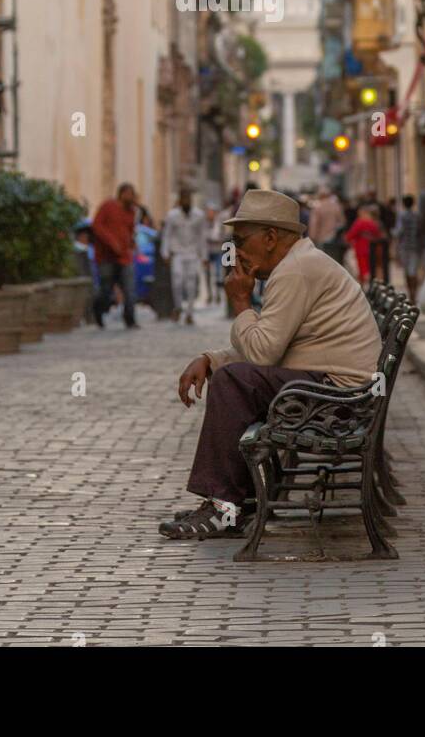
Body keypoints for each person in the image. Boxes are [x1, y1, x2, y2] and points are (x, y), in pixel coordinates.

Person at [158, 189, 380, 541]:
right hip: (336, 388)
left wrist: (241, 301)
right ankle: (233, 501)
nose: (237, 251)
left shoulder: (296, 271)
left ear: (272, 238)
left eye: (242, 240)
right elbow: (270, 346)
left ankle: (223, 507)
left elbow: (262, 354)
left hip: (339, 398)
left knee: (234, 381)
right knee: (231, 376)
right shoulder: (298, 264)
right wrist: (210, 359)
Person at [91, 182, 139, 329]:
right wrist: (111, 242)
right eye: (130, 194)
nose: (132, 197)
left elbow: (130, 231)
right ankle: (98, 311)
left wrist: (131, 242)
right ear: (122, 194)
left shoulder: (131, 212)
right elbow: (97, 226)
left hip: (124, 257)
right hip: (106, 257)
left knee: (130, 289)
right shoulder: (108, 206)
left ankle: (130, 319)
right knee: (106, 289)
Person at [161, 188, 209, 326]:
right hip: (177, 253)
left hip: (193, 253)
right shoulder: (172, 215)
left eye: (188, 198)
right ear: (180, 200)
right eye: (184, 198)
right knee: (177, 280)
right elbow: (167, 235)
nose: (186, 201)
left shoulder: (199, 215)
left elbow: (202, 237)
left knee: (191, 283)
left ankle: (190, 313)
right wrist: (165, 253)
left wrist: (204, 256)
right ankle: (178, 307)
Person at [342, 204, 385, 286]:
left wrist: (346, 239)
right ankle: (371, 283)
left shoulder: (359, 222)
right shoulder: (373, 223)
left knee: (362, 268)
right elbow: (378, 235)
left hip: (360, 248)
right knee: (370, 267)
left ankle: (364, 285)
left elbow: (350, 235)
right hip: (372, 249)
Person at [395, 195, 423, 302]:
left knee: (407, 271)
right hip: (415, 247)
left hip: (405, 247)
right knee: (414, 271)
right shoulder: (417, 216)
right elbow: (420, 231)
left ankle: (410, 293)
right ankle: (414, 294)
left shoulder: (402, 216)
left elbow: (399, 231)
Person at [308, 186, 345, 259]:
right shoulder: (336, 206)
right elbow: (342, 222)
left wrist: (312, 238)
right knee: (333, 258)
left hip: (321, 238)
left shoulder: (317, 207)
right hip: (334, 238)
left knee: (322, 259)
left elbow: (314, 224)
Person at [205, 204, 224, 304]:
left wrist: (213, 238)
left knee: (217, 273)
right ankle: (210, 295)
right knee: (207, 274)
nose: (210, 214)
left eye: (211, 212)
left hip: (217, 250)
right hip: (208, 251)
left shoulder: (219, 223)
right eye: (208, 212)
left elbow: (220, 236)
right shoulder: (204, 223)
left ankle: (218, 295)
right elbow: (203, 236)